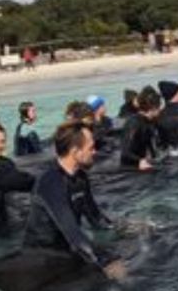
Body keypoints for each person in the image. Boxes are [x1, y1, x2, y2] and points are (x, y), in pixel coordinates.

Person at [22, 119, 122, 278]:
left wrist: (129, 229)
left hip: (66, 251)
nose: (95, 152)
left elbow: (97, 219)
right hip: (41, 260)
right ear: (76, 152)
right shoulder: (51, 182)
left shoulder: (80, 178)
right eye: (91, 147)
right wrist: (105, 262)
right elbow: (74, 235)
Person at [119, 86, 162, 171]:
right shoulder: (134, 123)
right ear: (153, 108)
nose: (160, 109)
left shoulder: (150, 121)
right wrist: (140, 161)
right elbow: (125, 152)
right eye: (159, 107)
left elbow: (152, 148)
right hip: (131, 168)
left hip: (145, 162)